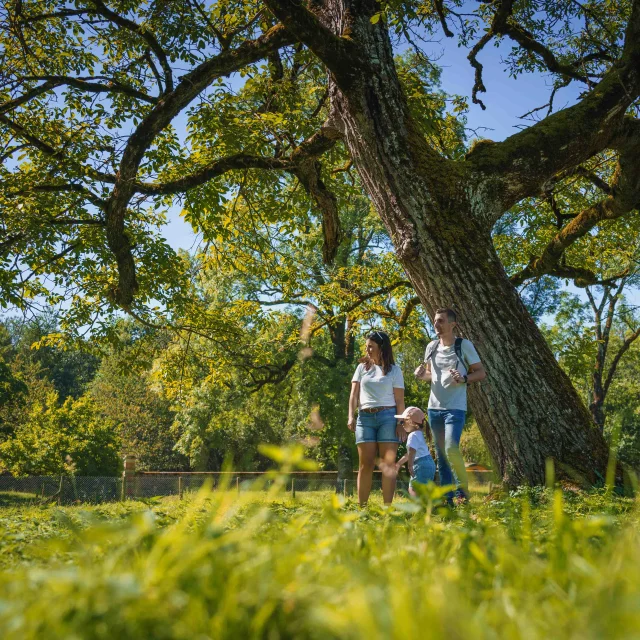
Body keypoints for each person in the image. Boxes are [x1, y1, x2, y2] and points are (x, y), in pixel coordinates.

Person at [414, 308, 486, 503]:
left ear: (453, 324)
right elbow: (431, 376)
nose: (436, 325)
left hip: (455, 408)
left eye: (441, 321)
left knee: (451, 448)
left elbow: (481, 372)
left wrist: (463, 378)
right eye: (435, 321)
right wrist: (422, 375)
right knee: (441, 455)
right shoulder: (431, 347)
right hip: (434, 408)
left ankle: (462, 493)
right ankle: (447, 500)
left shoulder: (464, 345)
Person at [348, 331, 405, 506]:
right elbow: (354, 395)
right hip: (365, 419)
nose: (367, 349)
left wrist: (400, 422)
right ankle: (362, 508)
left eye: (371, 346)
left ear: (382, 348)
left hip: (388, 417)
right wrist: (351, 415)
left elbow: (399, 400)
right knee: (365, 465)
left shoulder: (395, 371)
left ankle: (387, 510)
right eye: (366, 346)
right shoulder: (361, 368)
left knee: (387, 466)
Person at [394, 406, 435, 496]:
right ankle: (429, 508)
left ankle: (419, 508)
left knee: (413, 489)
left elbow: (411, 452)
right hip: (429, 464)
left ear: (411, 422)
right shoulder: (419, 434)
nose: (402, 424)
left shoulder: (412, 435)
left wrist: (410, 465)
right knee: (425, 490)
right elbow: (410, 453)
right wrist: (399, 463)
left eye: (402, 421)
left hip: (420, 465)